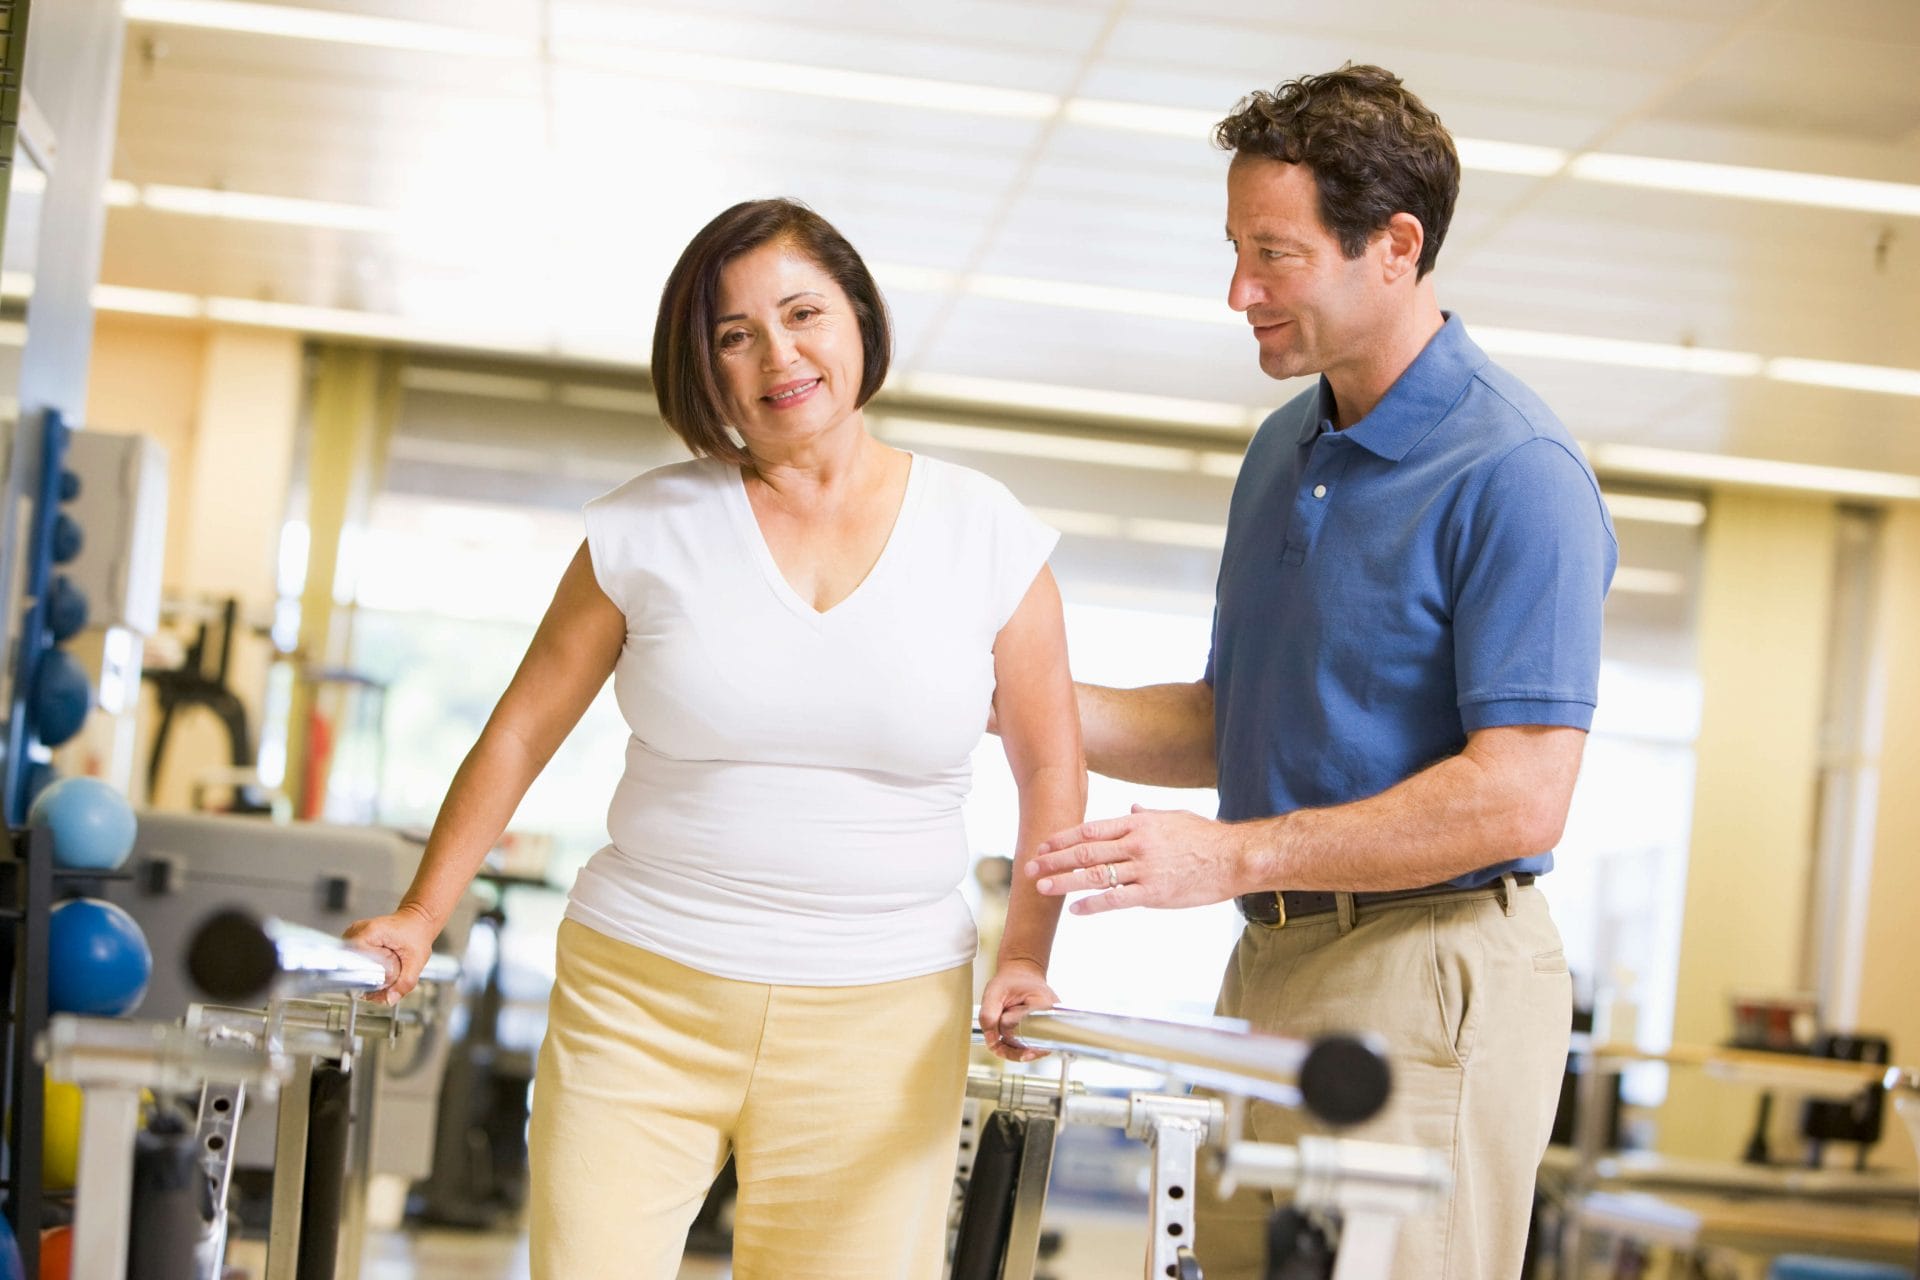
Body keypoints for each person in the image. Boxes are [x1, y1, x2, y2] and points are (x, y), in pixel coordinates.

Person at [346, 198, 1084, 1280]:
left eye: (802, 313)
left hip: (886, 1015)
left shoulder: (988, 533)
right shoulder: (642, 528)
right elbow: (518, 732)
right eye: (735, 335)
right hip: (642, 993)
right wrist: (423, 911)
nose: (778, 354)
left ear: (859, 319)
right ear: (704, 368)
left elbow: (1050, 761)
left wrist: (1026, 951)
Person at [1020, 65, 1616, 1279]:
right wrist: (1021, 702)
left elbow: (1519, 794)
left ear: (1393, 247)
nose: (1238, 291)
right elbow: (1235, 721)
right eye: (1236, 249)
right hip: (1275, 960)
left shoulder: (1518, 471)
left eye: (1273, 255)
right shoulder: (1287, 447)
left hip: (1432, 962)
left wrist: (1229, 853)